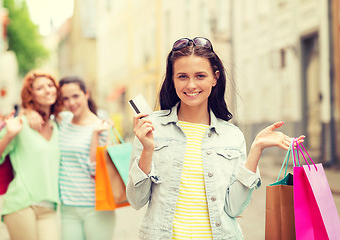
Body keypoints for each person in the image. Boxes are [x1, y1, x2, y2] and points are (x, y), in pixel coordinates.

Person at [126, 37, 305, 239]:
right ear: (172, 80)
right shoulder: (151, 127)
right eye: (182, 76)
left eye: (200, 75)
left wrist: (257, 149)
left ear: (215, 77)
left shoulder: (232, 136)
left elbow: (234, 208)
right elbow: (136, 200)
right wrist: (148, 150)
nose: (191, 85)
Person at [26, 76, 115, 240]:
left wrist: (95, 136)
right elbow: (40, 111)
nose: (71, 102)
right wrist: (30, 112)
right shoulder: (62, 121)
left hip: (96, 207)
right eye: (65, 98)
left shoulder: (102, 127)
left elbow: (96, 171)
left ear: (86, 94)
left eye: (76, 96)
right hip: (68, 207)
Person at [0, 71, 62, 240]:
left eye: (50, 86)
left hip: (49, 206)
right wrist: (9, 135)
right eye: (40, 88)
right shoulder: (19, 124)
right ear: (31, 95)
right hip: (21, 204)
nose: (48, 90)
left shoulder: (58, 127)